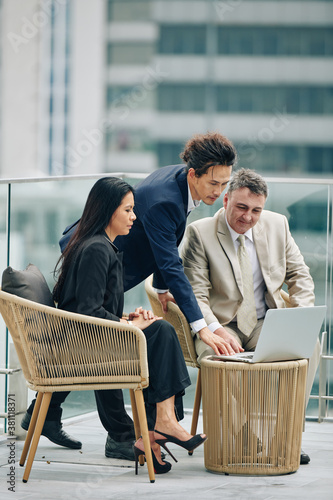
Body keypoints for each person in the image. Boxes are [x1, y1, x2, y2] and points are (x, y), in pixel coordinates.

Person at [23, 131, 236, 458]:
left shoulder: (182, 181)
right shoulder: (163, 200)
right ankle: (126, 434)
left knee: (114, 334)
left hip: (108, 257)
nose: (220, 191)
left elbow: (168, 240)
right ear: (193, 174)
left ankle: (50, 415)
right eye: (214, 184)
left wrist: (155, 294)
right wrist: (201, 327)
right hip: (101, 255)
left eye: (225, 184)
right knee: (99, 343)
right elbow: (169, 260)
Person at [30, 177, 207, 474]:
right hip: (87, 345)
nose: (134, 217)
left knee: (160, 330)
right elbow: (87, 312)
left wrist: (127, 319)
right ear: (109, 210)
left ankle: (156, 426)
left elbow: (88, 306)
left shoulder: (100, 245)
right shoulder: (98, 249)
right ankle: (161, 424)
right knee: (162, 332)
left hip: (90, 338)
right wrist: (131, 327)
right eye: (128, 210)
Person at [180, 168, 320, 465]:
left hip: (263, 322)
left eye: (256, 210)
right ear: (226, 199)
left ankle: (287, 436)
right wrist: (215, 330)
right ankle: (245, 435)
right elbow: (196, 294)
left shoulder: (277, 225)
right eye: (241, 207)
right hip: (219, 324)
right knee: (216, 361)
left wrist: (300, 316)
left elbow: (300, 276)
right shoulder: (200, 233)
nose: (248, 217)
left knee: (311, 347)